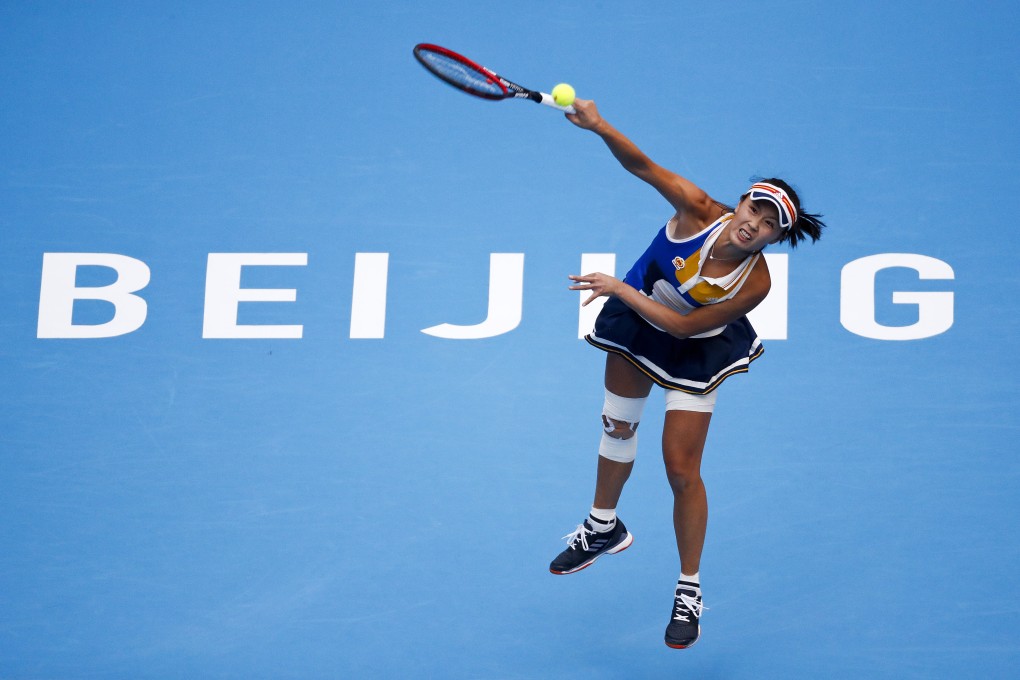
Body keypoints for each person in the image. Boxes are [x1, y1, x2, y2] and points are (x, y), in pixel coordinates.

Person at [549, 98, 826, 649]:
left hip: (693, 347)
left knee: (681, 469)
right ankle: (603, 527)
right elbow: (642, 166)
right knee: (617, 427)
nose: (754, 225)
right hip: (638, 325)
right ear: (740, 202)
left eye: (769, 226)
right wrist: (599, 125)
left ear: (775, 239)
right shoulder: (697, 208)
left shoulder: (756, 283)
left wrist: (620, 288)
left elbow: (680, 326)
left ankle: (689, 589)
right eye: (754, 210)